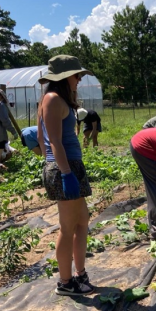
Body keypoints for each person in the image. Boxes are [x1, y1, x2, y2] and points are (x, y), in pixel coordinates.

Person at [38, 54, 95, 296]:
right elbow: (53, 143)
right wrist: (64, 172)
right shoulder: (52, 99)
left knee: (82, 223)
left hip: (71, 166)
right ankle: (65, 282)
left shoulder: (60, 100)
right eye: (77, 75)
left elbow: (42, 139)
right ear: (64, 77)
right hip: (65, 167)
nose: (79, 79)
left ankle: (80, 275)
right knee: (67, 227)